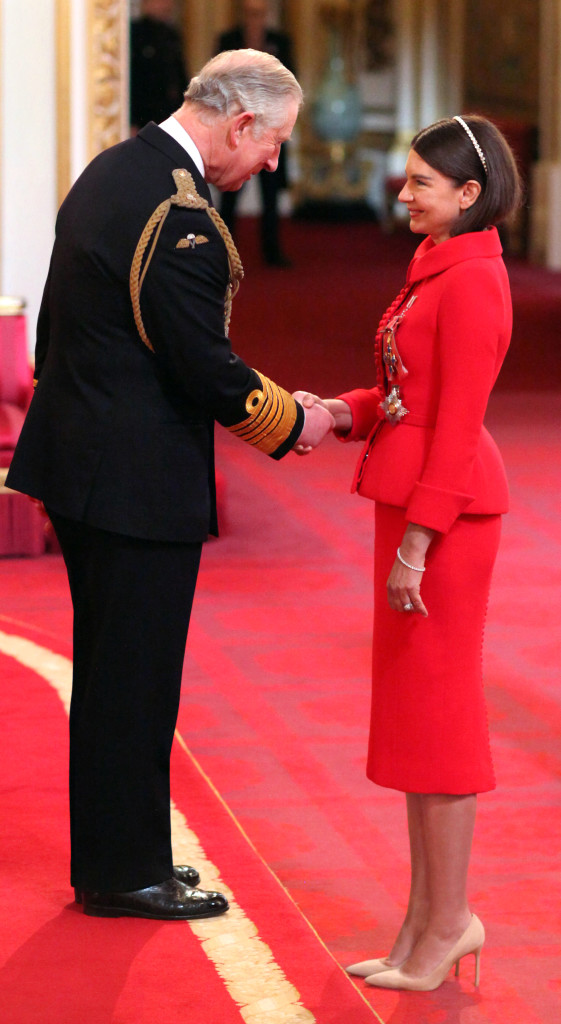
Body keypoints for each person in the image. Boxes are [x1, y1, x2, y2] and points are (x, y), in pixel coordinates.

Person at [6, 49, 334, 921]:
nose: (270, 162)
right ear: (240, 124)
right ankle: (123, 873)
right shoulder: (177, 208)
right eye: (271, 144)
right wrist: (294, 421)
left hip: (87, 463)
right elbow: (200, 363)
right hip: (131, 482)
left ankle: (131, 855)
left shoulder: (119, 167)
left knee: (123, 677)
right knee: (134, 683)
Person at [294, 115, 521, 991]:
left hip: (447, 519)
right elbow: (404, 394)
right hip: (417, 505)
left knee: (440, 721)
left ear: (468, 195)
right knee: (413, 724)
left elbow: (456, 428)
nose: (402, 194)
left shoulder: (473, 283)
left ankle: (449, 922)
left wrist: (418, 547)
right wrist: (339, 412)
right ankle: (425, 920)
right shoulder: (440, 267)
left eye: (420, 183)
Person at [217, 0, 295, 266]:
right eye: (251, 13)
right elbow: (219, 84)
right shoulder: (227, 41)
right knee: (229, 192)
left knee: (271, 194)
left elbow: (289, 85)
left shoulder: (280, 42)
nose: (255, 19)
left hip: (270, 131)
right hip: (237, 130)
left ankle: (272, 251)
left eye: (260, 14)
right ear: (242, 14)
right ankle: (222, 252)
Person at [130, 0, 188, 131]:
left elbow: (180, 78)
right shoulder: (135, 33)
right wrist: (131, 121)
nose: (166, 5)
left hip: (168, 113)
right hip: (143, 114)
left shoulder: (172, 35)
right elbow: (131, 80)